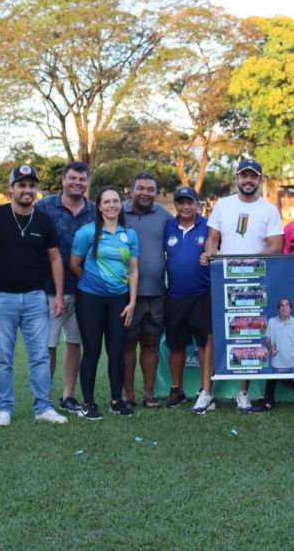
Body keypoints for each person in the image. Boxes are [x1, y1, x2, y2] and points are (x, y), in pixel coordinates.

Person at [0, 165, 69, 426]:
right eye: (21, 185)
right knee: (2, 358)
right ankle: (4, 409)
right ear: (11, 188)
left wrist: (58, 294)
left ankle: (43, 407)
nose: (27, 189)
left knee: (41, 356)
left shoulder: (43, 220)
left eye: (31, 185)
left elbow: (55, 258)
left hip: (35, 297)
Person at [201, 159, 283, 412]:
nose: (248, 180)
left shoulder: (269, 209)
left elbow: (276, 246)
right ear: (236, 177)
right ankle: (206, 393)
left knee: (248, 335)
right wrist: (208, 255)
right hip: (223, 280)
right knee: (214, 336)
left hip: (254, 281)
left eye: (253, 176)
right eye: (244, 176)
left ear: (261, 180)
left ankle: (243, 393)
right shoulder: (223, 205)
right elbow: (213, 239)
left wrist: (247, 265)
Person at [70, 186, 139, 420]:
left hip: (120, 300)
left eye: (116, 201)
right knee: (92, 351)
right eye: (106, 202)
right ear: (98, 206)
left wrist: (131, 302)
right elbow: (74, 264)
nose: (112, 205)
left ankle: (116, 401)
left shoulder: (129, 234)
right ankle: (87, 404)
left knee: (117, 352)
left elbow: (133, 270)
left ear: (121, 204)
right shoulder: (86, 233)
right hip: (90, 299)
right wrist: (93, 285)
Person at [35, 161, 96, 414]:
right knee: (48, 345)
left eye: (82, 179)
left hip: (83, 289)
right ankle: (45, 398)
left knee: (74, 342)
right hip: (49, 288)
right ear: (63, 180)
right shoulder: (44, 207)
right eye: (72, 178)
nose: (77, 183)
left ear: (87, 182)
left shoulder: (95, 210)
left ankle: (67, 395)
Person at [120, 172, 174, 410]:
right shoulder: (118, 211)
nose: (145, 193)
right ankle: (128, 394)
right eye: (140, 188)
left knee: (150, 342)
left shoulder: (163, 215)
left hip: (156, 292)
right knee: (128, 344)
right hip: (126, 293)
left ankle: (149, 393)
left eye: (150, 189)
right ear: (130, 191)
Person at [162, 186, 215, 414]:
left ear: (198, 204)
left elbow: (216, 252)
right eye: (181, 202)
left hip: (203, 295)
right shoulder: (168, 227)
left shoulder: (209, 226)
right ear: (175, 205)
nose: (185, 206)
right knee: (177, 344)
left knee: (204, 344)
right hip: (175, 296)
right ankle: (177, 389)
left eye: (190, 202)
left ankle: (205, 391)